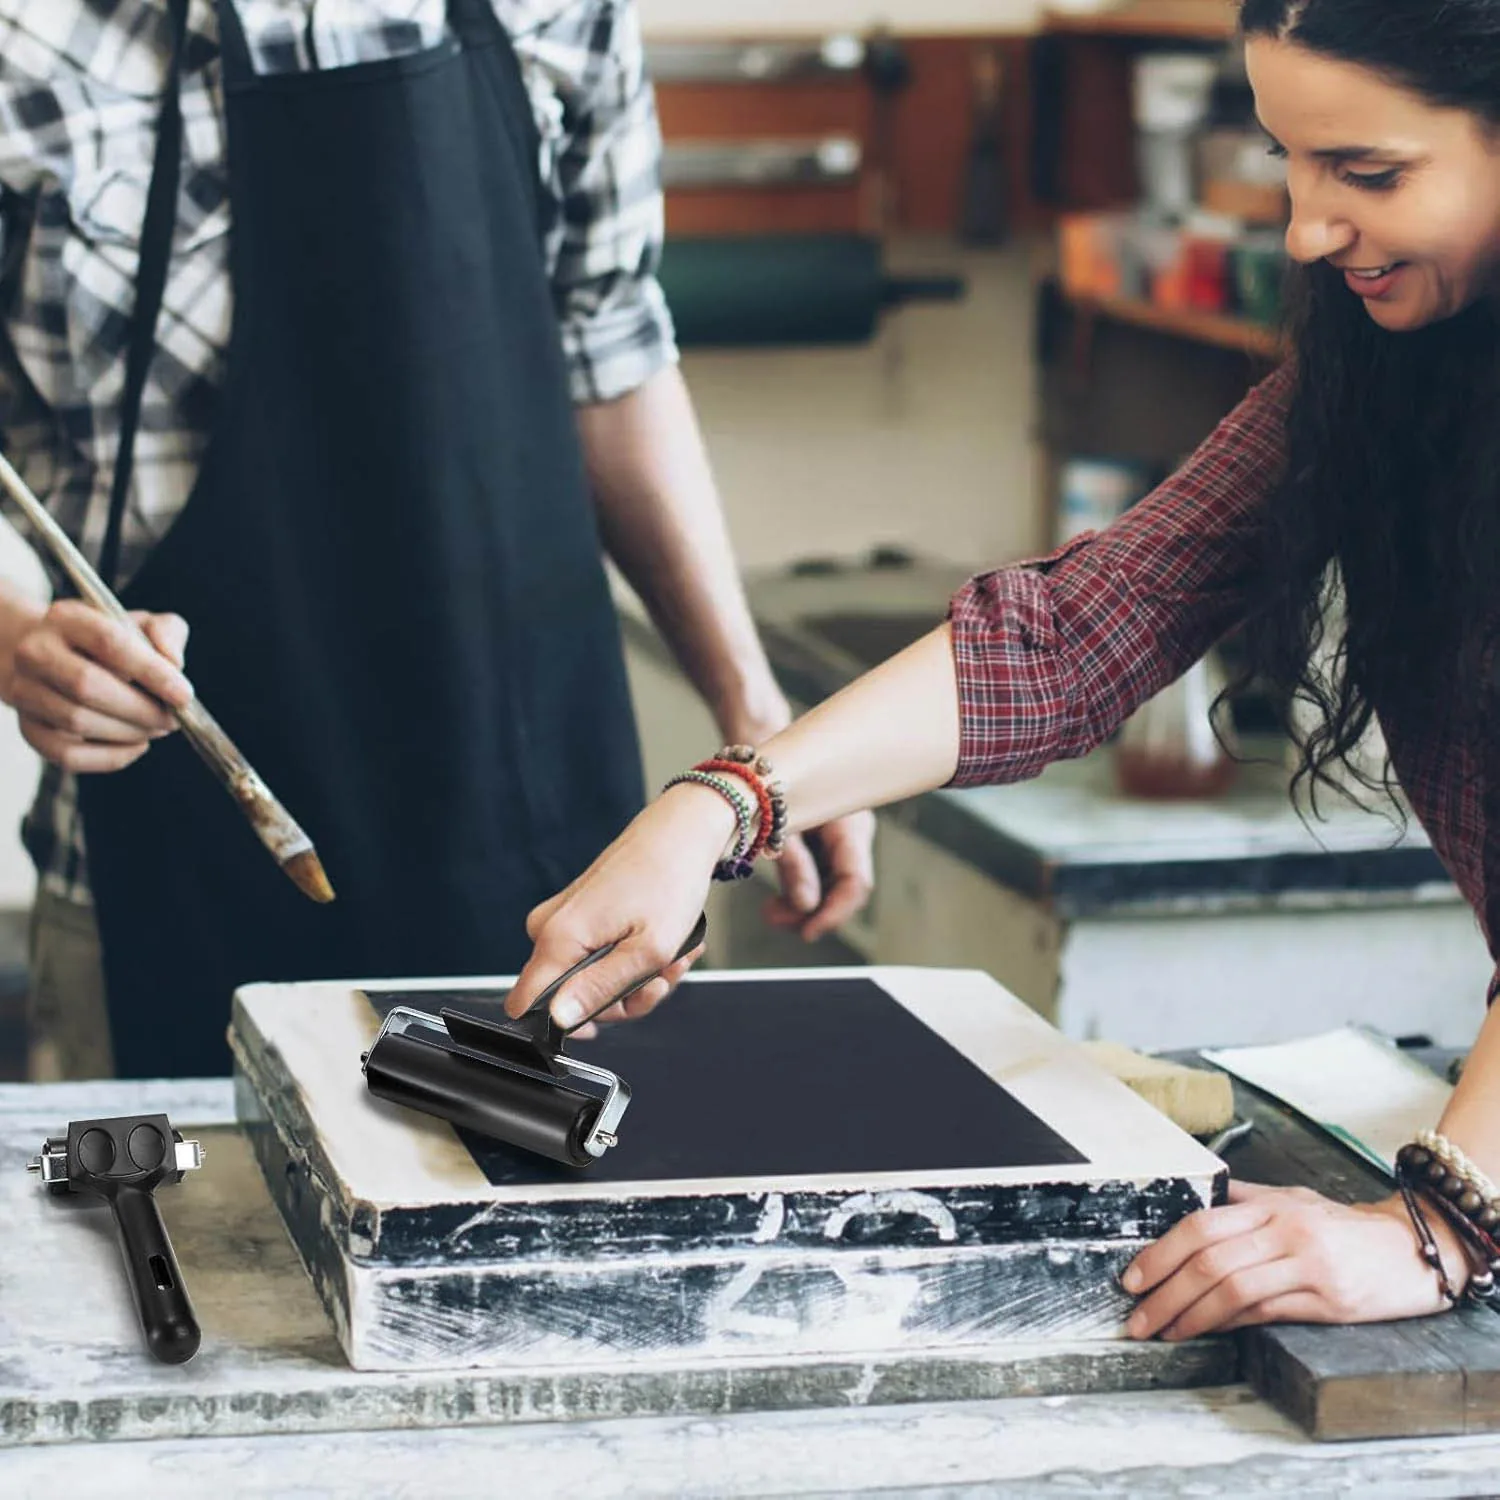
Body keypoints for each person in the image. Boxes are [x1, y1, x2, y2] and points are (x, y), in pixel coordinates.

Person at [506, 0, 1500, 1338]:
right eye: (1288, 164)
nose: (1309, 231)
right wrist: (721, 807)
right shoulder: (1402, 368)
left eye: (1368, 174)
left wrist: (1440, 1230)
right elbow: (1084, 627)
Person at [0, 0, 874, 1082]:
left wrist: (754, 714)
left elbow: (609, 350)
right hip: (165, 861)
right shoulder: (28, 37)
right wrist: (16, 639)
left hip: (546, 866)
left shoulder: (561, 11)